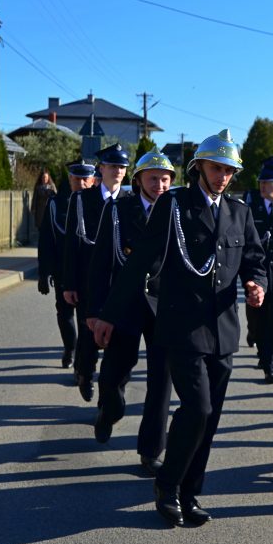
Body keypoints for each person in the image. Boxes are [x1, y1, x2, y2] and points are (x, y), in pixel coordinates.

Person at [93, 129, 267, 527]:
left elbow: (255, 258)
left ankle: (190, 493)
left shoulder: (239, 211)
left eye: (229, 171)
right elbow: (139, 263)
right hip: (181, 328)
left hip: (223, 330)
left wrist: (258, 283)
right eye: (216, 168)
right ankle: (168, 485)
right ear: (199, 168)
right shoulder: (173, 206)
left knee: (210, 418)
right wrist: (108, 313)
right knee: (197, 408)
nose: (223, 177)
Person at [86, 151, 176, 477]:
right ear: (138, 180)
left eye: (165, 179)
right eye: (153, 178)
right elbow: (101, 262)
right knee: (114, 372)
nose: (159, 185)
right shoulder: (118, 210)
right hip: (124, 304)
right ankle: (108, 411)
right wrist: (95, 310)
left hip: (164, 305)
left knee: (161, 382)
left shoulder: (177, 212)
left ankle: (151, 450)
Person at [63, 143, 130, 402]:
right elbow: (71, 244)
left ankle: (108, 394)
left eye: (122, 167)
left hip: (119, 282)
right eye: (113, 166)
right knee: (88, 335)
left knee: (117, 339)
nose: (118, 171)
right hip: (88, 280)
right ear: (101, 168)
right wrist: (69, 284)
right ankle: (85, 372)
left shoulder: (129, 201)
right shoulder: (82, 199)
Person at [37, 160, 94, 368]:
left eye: (85, 179)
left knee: (86, 316)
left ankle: (83, 357)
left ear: (92, 180)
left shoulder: (99, 204)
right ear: (70, 179)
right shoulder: (56, 204)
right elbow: (46, 240)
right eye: (76, 179)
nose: (81, 183)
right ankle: (70, 347)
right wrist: (43, 273)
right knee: (64, 312)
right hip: (62, 269)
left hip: (89, 271)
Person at [245, 156, 273, 384]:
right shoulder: (251, 207)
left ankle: (271, 367)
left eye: (267, 182)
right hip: (257, 274)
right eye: (261, 182)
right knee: (258, 319)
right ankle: (260, 349)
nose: (262, 186)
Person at [31, 169, 57, 237]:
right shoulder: (38, 187)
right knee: (40, 228)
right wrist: (33, 208)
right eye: (43, 177)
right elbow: (34, 198)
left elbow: (56, 197)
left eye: (45, 177)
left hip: (49, 210)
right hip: (40, 211)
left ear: (48, 178)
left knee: (48, 228)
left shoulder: (52, 187)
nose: (44, 179)